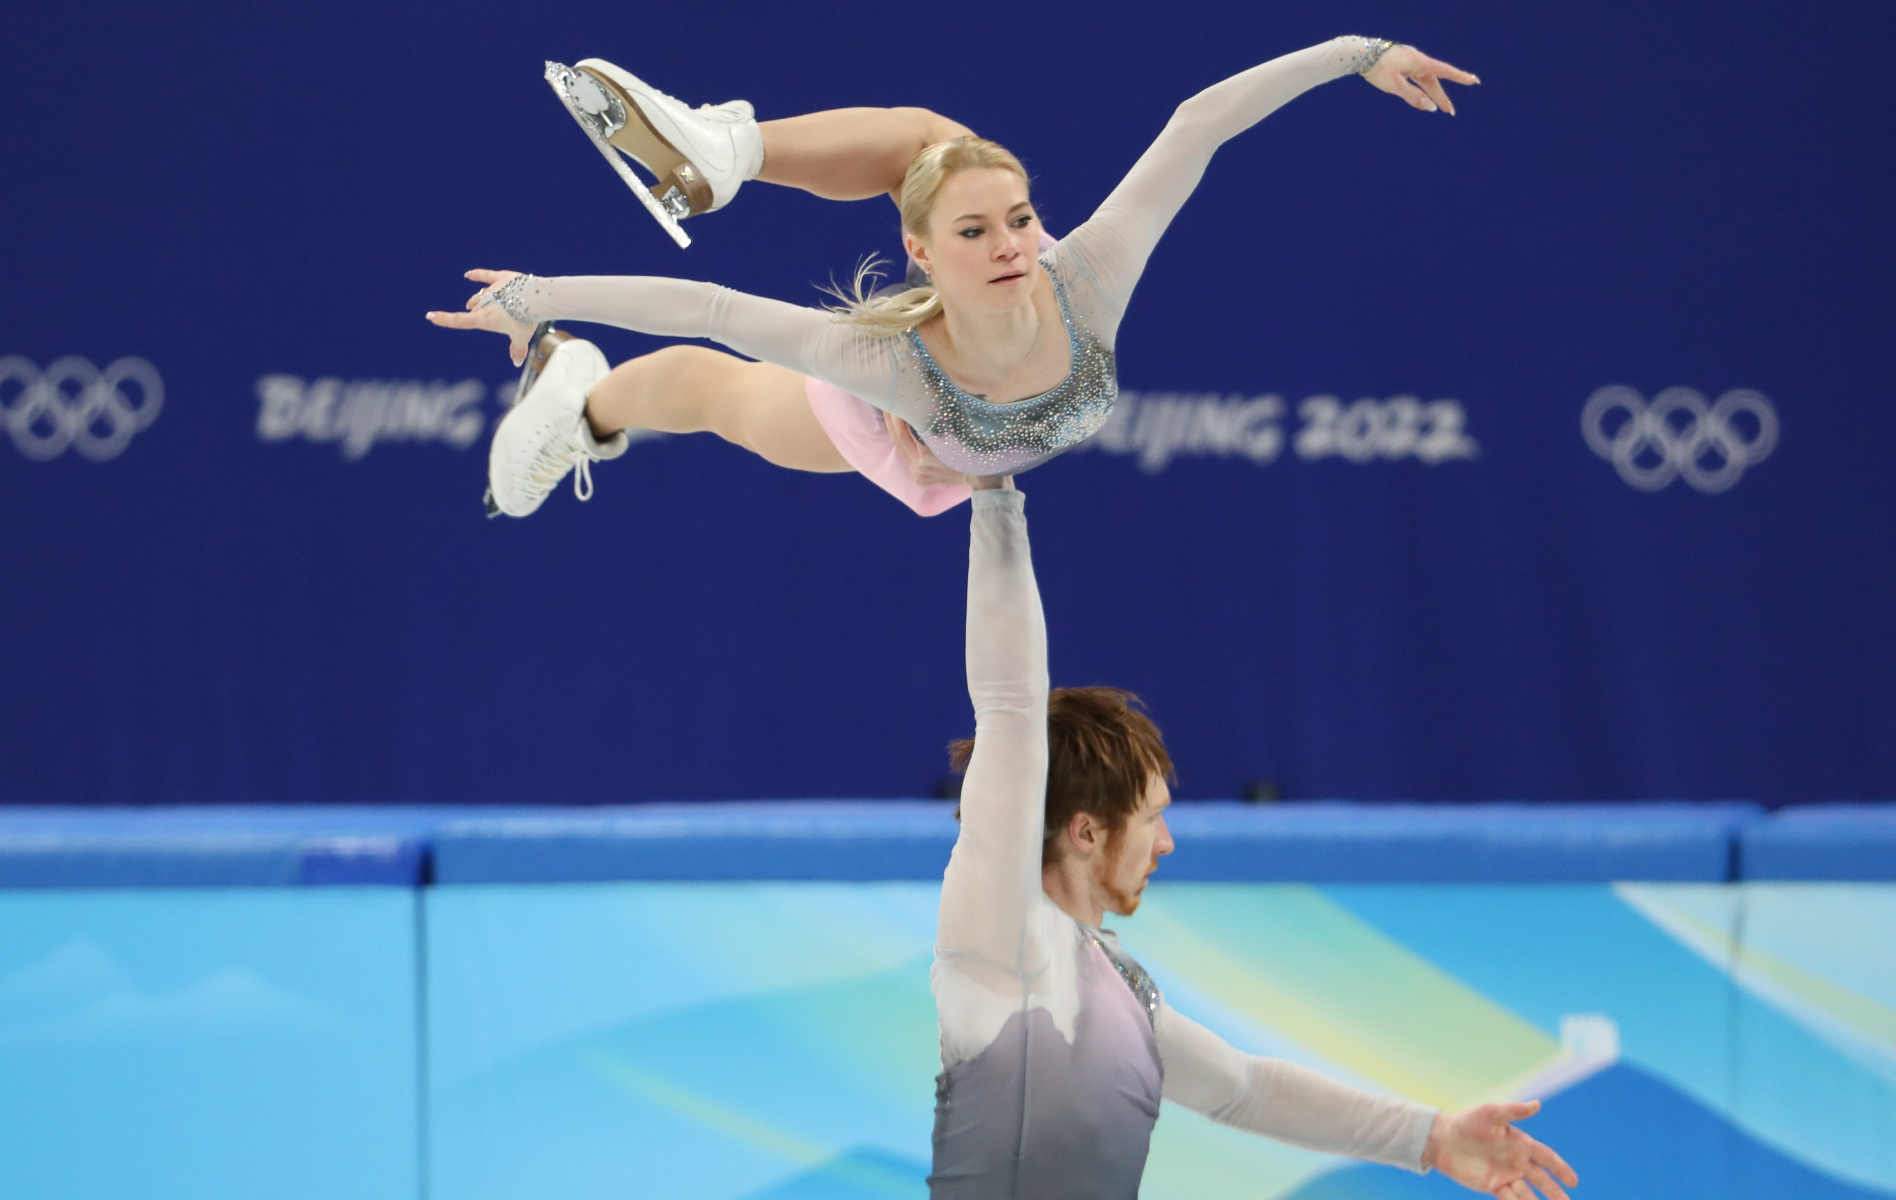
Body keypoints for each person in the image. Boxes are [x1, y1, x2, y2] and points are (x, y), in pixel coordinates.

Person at [427, 38, 1478, 517]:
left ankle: (722, 153)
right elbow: (708, 309)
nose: (1018, 243)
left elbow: (1196, 126)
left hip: (955, 450)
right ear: (920, 254)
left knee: (946, 148)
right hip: (884, 438)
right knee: (707, 387)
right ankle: (580, 394)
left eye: (1022, 220)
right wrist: (539, 298)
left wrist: (1355, 51)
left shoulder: (1086, 276)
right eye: (981, 233)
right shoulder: (887, 369)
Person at [938, 469, 1580, 1200]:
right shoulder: (1002, 934)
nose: (1167, 844)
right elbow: (1008, 703)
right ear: (1085, 831)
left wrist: (1430, 1138)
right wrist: (992, 490)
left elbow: (1243, 1089)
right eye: (1151, 818)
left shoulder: (1109, 980)